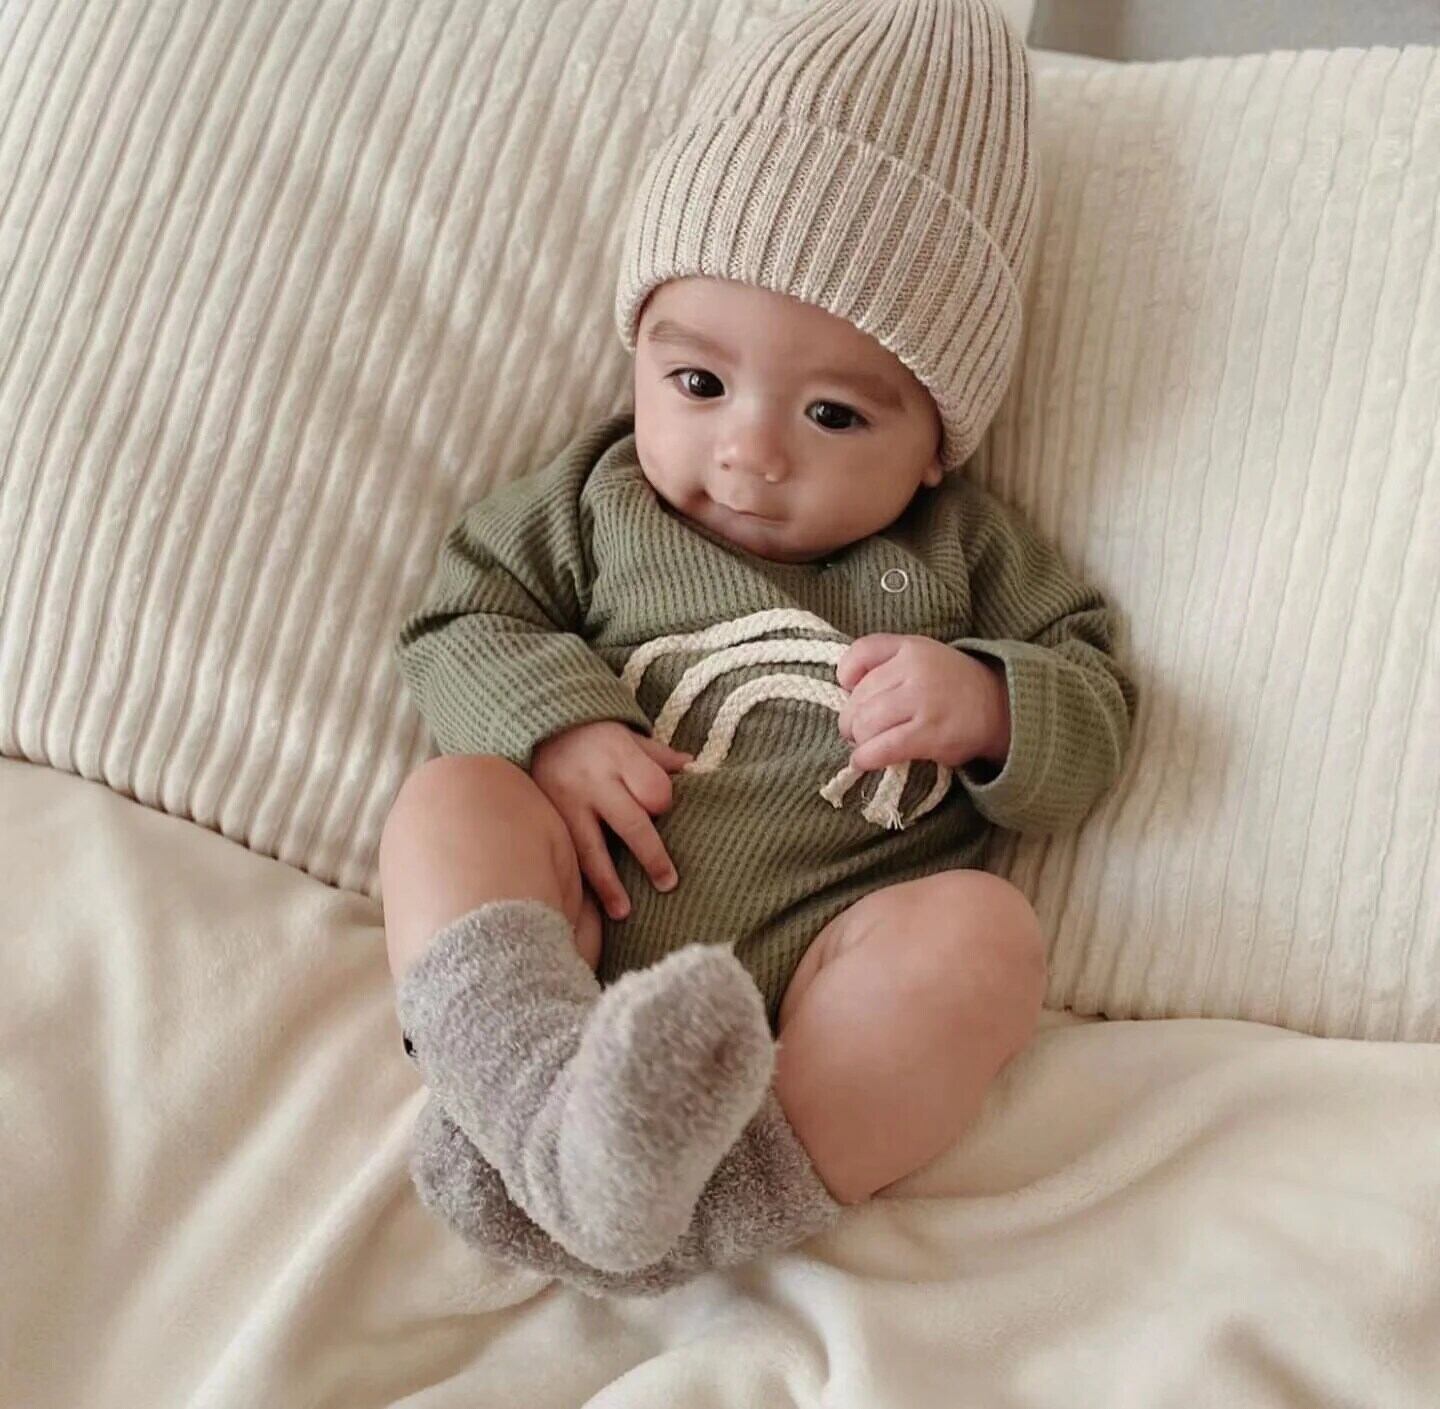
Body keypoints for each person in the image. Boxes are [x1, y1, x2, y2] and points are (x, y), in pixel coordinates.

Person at [378, 0, 1139, 1297]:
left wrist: (989, 702)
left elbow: (1099, 709)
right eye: (698, 385)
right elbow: (460, 618)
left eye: (833, 414)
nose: (748, 451)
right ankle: (530, 1095)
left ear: (936, 440)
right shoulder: (598, 499)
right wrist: (556, 727)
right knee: (453, 802)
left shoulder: (964, 552)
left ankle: (700, 1202)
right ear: (640, 354)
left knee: (987, 939)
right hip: (575, 932)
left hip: (810, 992)